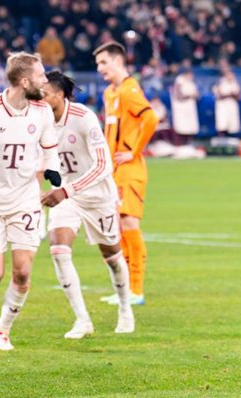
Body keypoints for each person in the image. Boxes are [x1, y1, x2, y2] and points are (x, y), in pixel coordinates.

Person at [0, 52, 61, 351]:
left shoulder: (42, 112)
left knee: (23, 273)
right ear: (24, 81)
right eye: (40, 76)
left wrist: (52, 169)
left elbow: (49, 149)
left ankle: (3, 330)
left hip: (25, 200)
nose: (45, 81)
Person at [40, 71, 135, 338]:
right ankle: (82, 320)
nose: (39, 98)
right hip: (66, 196)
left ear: (59, 95)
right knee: (58, 249)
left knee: (112, 257)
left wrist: (67, 190)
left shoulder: (84, 118)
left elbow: (104, 165)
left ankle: (126, 309)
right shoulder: (40, 120)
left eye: (44, 93)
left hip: (97, 196)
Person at [93, 42, 158, 306]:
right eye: (98, 65)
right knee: (119, 229)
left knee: (130, 225)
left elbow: (151, 118)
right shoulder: (110, 93)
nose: (100, 69)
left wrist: (134, 151)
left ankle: (137, 290)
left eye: (104, 63)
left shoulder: (130, 90)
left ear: (118, 62)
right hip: (114, 170)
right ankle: (127, 289)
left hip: (130, 170)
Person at [171, 67, 199, 146]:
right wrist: (190, 95)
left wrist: (195, 95)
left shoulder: (191, 83)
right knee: (181, 126)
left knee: (190, 127)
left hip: (190, 107)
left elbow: (196, 95)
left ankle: (188, 144)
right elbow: (178, 95)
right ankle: (180, 145)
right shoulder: (179, 81)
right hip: (181, 108)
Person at [212, 63, 241, 136]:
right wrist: (229, 94)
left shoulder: (235, 83)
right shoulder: (220, 82)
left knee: (232, 125)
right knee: (222, 124)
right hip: (223, 106)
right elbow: (219, 94)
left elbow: (239, 96)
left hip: (232, 106)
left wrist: (233, 95)